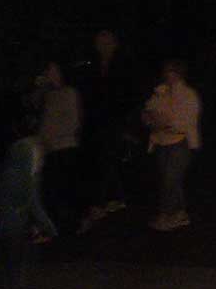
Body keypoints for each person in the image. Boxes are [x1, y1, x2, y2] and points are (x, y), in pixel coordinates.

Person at [0, 114, 57, 289]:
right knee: (15, 261)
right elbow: (29, 193)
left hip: (11, 213)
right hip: (15, 215)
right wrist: (45, 223)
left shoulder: (22, 150)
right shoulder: (28, 150)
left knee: (14, 260)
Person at [77, 29, 137, 232]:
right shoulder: (91, 66)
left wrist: (126, 122)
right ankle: (115, 196)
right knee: (100, 158)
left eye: (107, 42)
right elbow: (88, 93)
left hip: (114, 120)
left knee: (107, 157)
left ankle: (99, 203)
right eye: (99, 42)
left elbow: (127, 94)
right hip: (95, 120)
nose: (103, 46)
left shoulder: (123, 66)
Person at [143, 60, 201, 231]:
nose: (170, 75)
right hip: (161, 142)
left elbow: (187, 121)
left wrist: (165, 123)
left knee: (170, 179)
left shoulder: (188, 94)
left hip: (179, 142)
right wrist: (150, 118)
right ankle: (180, 213)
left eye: (173, 72)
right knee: (171, 180)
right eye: (167, 72)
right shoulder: (161, 92)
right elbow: (149, 110)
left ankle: (165, 214)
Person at [32, 60, 82, 234]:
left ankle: (71, 227)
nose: (49, 74)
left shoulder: (69, 93)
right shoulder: (48, 95)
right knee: (50, 190)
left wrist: (51, 136)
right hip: (48, 149)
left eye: (53, 70)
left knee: (63, 189)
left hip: (64, 147)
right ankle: (55, 227)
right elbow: (35, 106)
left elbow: (72, 122)